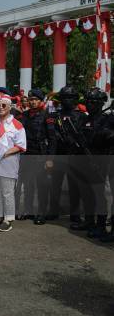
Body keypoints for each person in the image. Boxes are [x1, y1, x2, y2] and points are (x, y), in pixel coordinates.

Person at [0, 94, 27, 232]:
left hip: (8, 164)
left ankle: (8, 219)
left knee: (7, 192)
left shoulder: (17, 125)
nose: (0, 108)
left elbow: (21, 146)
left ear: (10, 107)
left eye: (3, 105)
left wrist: (3, 154)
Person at [76, 88, 112, 238]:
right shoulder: (84, 119)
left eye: (94, 102)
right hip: (84, 160)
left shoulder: (108, 119)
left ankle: (101, 225)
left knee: (98, 194)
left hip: (101, 161)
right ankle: (89, 221)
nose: (90, 105)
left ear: (101, 103)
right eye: (88, 102)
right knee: (86, 193)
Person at [47, 86, 85, 224]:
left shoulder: (81, 116)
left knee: (75, 186)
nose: (68, 100)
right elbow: (52, 140)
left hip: (75, 156)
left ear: (75, 100)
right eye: (65, 98)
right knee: (55, 185)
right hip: (59, 155)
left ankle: (75, 213)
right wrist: (50, 158)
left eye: (71, 98)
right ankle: (53, 210)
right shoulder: (55, 116)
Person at [18, 89, 55, 225]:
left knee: (42, 186)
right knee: (28, 185)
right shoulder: (24, 115)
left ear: (40, 101)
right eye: (31, 99)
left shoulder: (47, 116)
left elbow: (52, 139)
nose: (32, 102)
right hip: (27, 155)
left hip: (41, 155)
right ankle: (28, 210)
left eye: (35, 100)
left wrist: (50, 159)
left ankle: (41, 213)